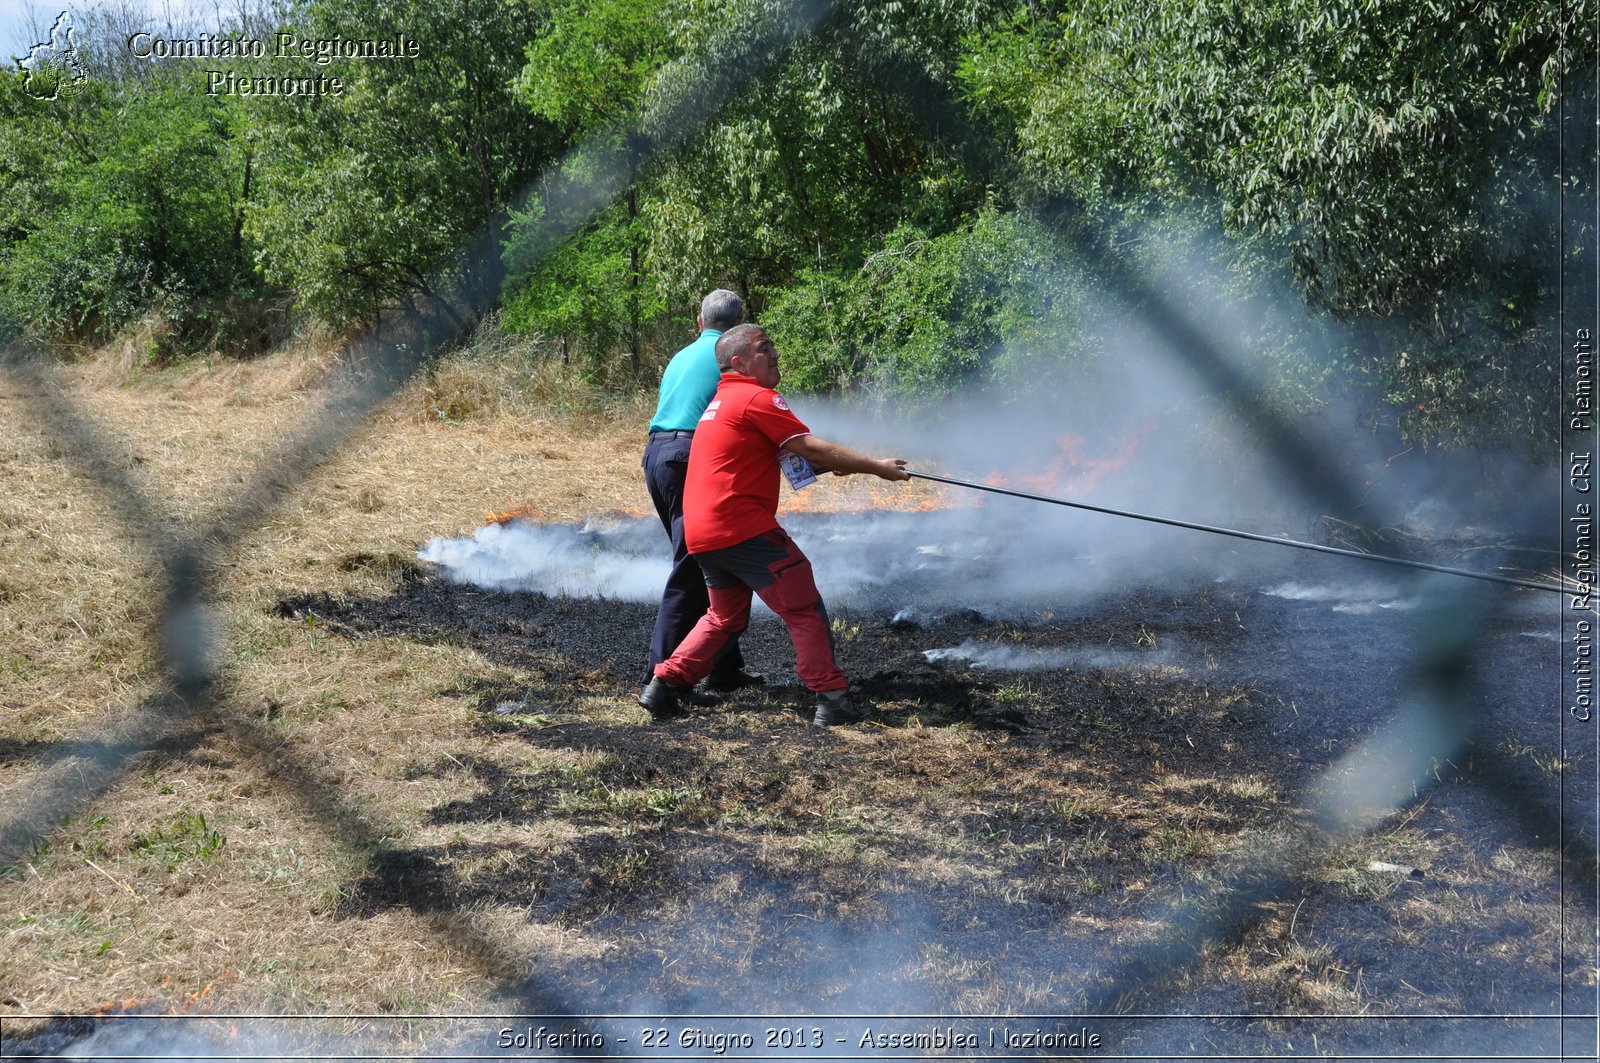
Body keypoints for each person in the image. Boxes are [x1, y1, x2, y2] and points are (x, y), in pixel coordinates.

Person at [638, 323, 909, 726]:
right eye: (766, 348)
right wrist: (877, 468)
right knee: (802, 604)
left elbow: (793, 458)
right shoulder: (756, 397)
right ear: (739, 363)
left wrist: (842, 466)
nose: (777, 354)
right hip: (740, 525)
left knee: (724, 618)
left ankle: (664, 685)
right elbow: (809, 445)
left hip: (704, 532)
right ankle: (832, 696)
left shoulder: (721, 402)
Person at [642, 289, 762, 698]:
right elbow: (746, 411)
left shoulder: (680, 355)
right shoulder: (730, 358)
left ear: (699, 321)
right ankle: (659, 675)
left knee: (714, 560)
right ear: (740, 326)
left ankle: (725, 667)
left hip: (658, 455)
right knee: (693, 565)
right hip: (690, 457)